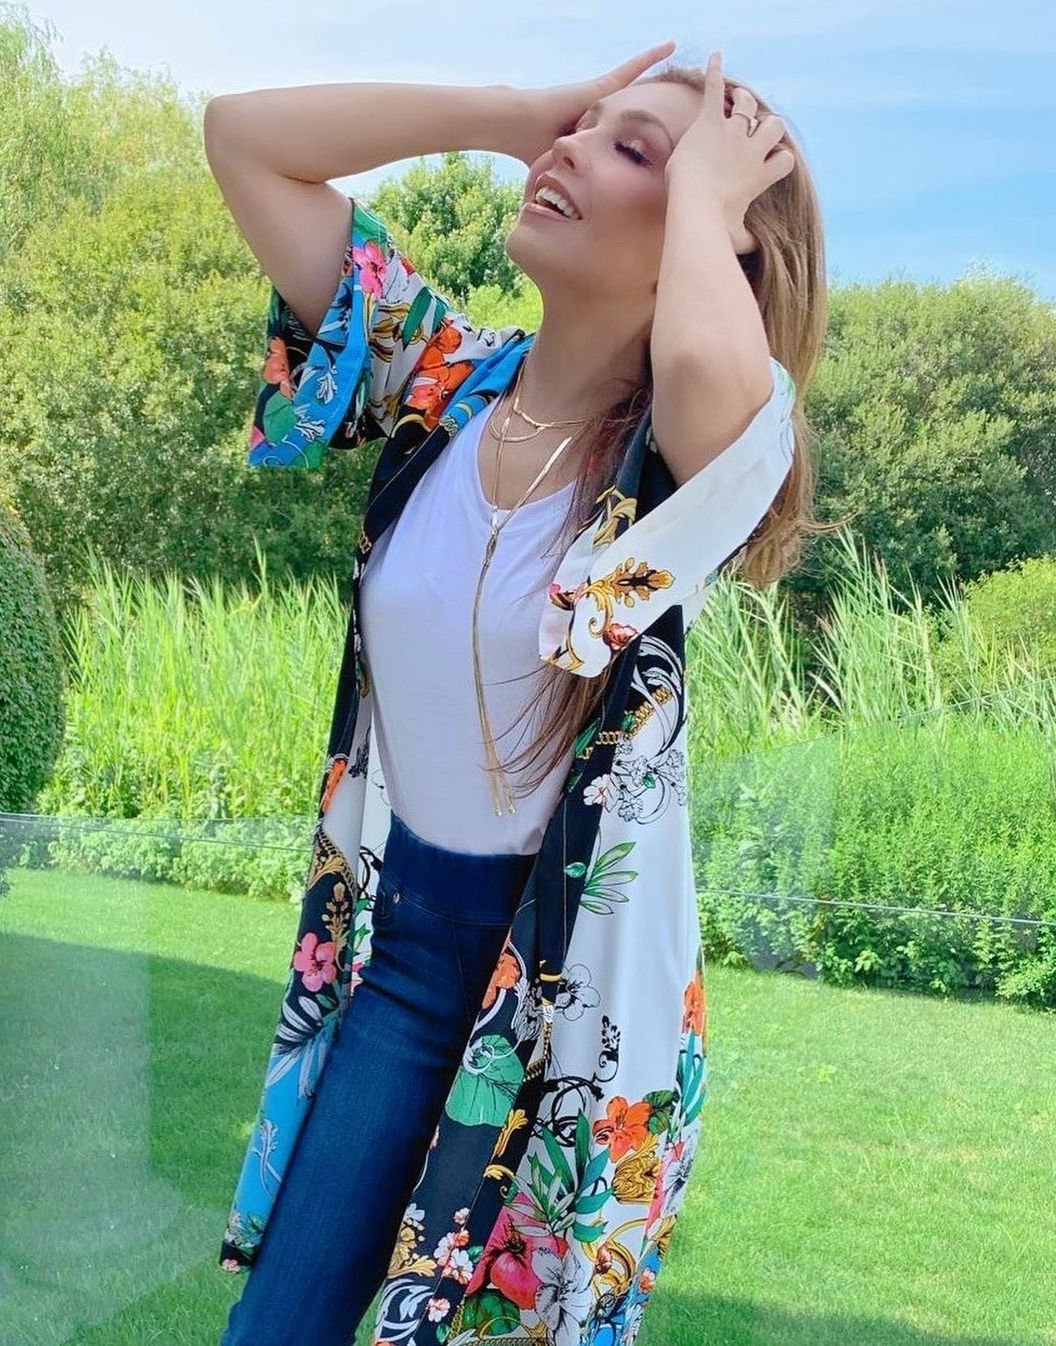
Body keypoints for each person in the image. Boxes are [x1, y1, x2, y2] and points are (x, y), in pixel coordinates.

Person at [206, 39, 825, 1345]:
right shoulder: (438, 381)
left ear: (712, 235)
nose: (572, 151)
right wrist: (513, 114)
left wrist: (708, 193)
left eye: (633, 151)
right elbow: (246, 138)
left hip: (571, 1020)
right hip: (402, 963)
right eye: (582, 128)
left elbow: (718, 372)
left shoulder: (683, 466)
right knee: (279, 1325)